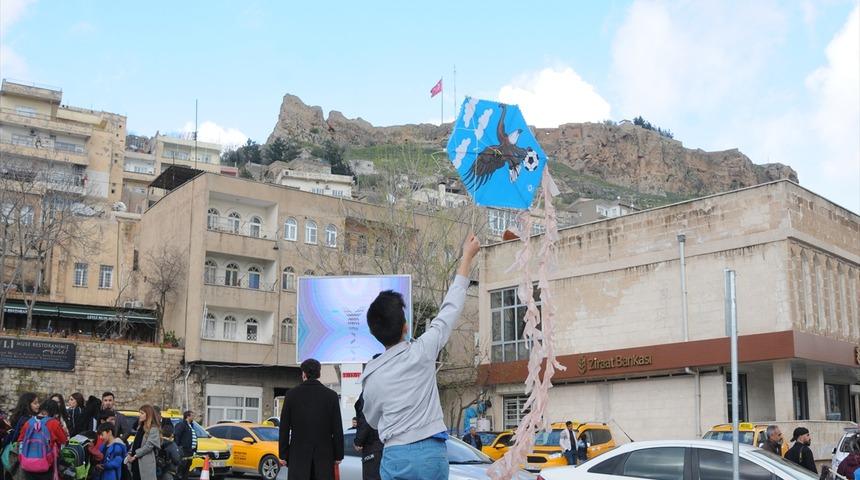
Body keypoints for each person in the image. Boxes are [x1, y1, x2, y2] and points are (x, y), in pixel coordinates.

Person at [361, 233, 479, 480]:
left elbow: (371, 419)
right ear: (405, 327)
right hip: (431, 454)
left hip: (396, 455)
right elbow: (450, 308)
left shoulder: (372, 376)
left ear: (373, 333)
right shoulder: (422, 351)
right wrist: (467, 256)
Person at [278, 358, 343, 480]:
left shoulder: (291, 395)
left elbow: (284, 427)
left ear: (303, 374)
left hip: (298, 456)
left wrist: (283, 454)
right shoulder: (331, 396)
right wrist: (338, 455)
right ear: (319, 373)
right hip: (324, 457)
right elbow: (337, 428)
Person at [17, 399, 68, 480]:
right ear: (54, 411)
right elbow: (63, 440)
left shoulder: (28, 422)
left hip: (27, 462)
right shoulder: (54, 423)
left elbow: (20, 440)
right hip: (46, 463)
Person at [353, 394, 382, 480]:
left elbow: (366, 420)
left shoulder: (368, 394)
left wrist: (358, 441)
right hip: (386, 443)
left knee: (371, 476)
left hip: (373, 445)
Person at [126, 405, 160, 480]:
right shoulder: (140, 428)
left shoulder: (153, 429)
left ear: (148, 415)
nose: (139, 415)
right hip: (135, 462)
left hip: (145, 462)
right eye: (139, 413)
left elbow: (149, 446)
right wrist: (129, 454)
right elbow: (135, 443)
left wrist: (135, 455)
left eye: (142, 413)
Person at [172, 411, 197, 480]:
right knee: (181, 469)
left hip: (190, 451)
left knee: (187, 469)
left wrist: (194, 450)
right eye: (192, 415)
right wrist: (178, 448)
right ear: (188, 416)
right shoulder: (182, 425)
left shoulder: (191, 426)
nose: (194, 417)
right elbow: (177, 436)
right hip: (183, 451)